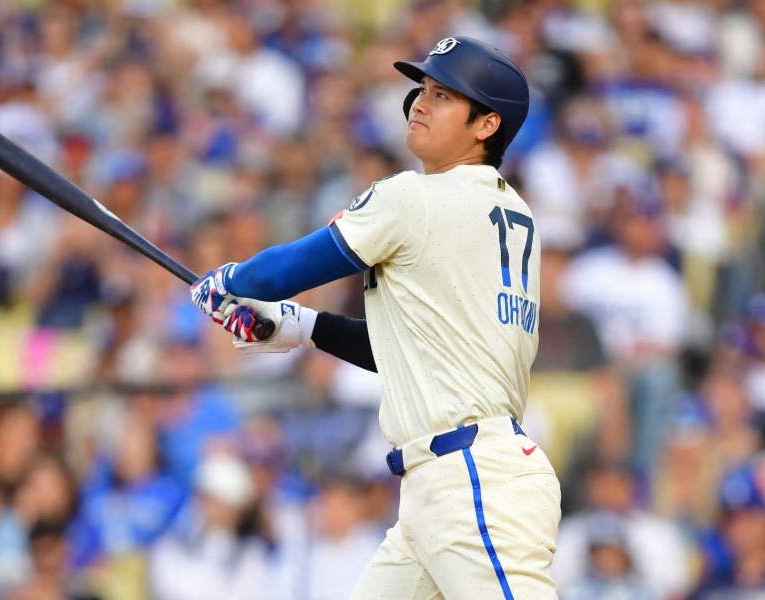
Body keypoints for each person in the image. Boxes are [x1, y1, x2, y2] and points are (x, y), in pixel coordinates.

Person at [191, 36, 561, 599]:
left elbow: (279, 273)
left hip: (472, 481)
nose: (419, 102)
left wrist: (227, 283)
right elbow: (416, 348)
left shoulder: (415, 196)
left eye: (443, 95)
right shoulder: (511, 210)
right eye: (423, 90)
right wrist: (305, 327)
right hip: (444, 487)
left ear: (486, 125)